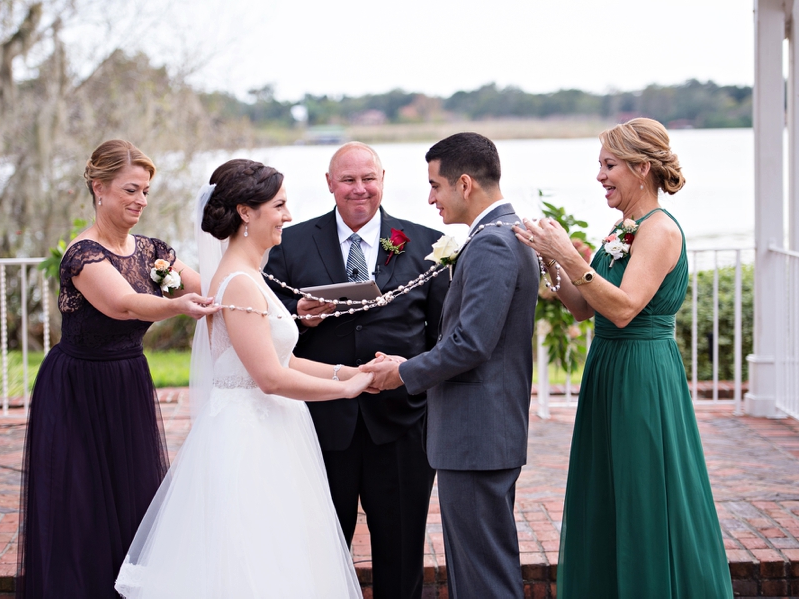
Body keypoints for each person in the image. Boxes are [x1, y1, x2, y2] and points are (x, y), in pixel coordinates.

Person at [115, 159, 373, 598]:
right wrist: (345, 389)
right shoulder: (238, 283)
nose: (288, 216)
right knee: (254, 561)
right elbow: (270, 377)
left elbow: (281, 358)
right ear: (246, 212)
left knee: (286, 557)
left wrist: (350, 370)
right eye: (280, 205)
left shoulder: (250, 276)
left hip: (273, 430)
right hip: (249, 441)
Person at [514, 118, 733, 598]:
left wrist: (572, 259)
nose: (600, 177)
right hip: (608, 369)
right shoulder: (622, 228)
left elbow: (625, 308)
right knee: (607, 492)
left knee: (643, 492)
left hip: (642, 373)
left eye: (609, 166)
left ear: (641, 168)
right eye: (600, 166)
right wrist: (550, 257)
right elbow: (582, 308)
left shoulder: (658, 231)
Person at [16, 140, 220, 598]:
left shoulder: (152, 250)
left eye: (145, 191)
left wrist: (253, 286)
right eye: (131, 189)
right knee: (82, 504)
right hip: (78, 388)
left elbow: (207, 285)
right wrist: (179, 308)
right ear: (99, 188)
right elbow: (123, 305)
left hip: (128, 381)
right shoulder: (82, 255)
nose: (140, 201)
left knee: (135, 496)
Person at [264, 142, 448, 599]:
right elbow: (265, 322)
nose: (359, 189)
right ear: (329, 184)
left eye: (368, 178)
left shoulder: (427, 245)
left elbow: (443, 335)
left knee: (402, 550)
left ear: (383, 179)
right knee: (321, 548)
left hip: (403, 423)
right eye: (348, 180)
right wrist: (300, 315)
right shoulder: (290, 243)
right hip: (322, 423)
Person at [363, 132, 538, 599]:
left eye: (435, 185)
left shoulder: (492, 244)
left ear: (464, 184)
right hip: (483, 432)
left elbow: (470, 343)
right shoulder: (502, 234)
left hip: (476, 434)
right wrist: (410, 361)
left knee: (483, 574)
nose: (430, 197)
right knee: (477, 567)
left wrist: (402, 372)